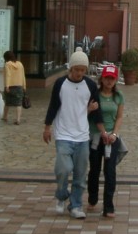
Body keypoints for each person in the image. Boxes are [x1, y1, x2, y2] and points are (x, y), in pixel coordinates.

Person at [43, 47, 108, 219]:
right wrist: (47, 127)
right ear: (70, 68)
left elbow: (97, 113)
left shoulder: (90, 85)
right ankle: (61, 195)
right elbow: (53, 106)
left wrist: (103, 132)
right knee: (63, 169)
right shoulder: (60, 84)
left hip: (82, 136)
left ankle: (76, 205)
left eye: (83, 70)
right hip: (63, 134)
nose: (80, 73)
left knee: (80, 175)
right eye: (77, 69)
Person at [87, 64, 125, 218]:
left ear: (116, 80)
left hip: (112, 138)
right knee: (94, 169)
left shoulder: (118, 96)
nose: (109, 81)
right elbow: (94, 116)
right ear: (101, 79)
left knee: (110, 171)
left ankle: (108, 206)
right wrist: (102, 132)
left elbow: (120, 117)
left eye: (112, 78)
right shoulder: (95, 94)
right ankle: (93, 197)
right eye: (106, 78)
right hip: (96, 136)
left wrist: (114, 134)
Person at [3, 50, 27, 125]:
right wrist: (24, 86)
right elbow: (23, 76)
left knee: (7, 102)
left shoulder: (7, 64)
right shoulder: (20, 64)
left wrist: (7, 86)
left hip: (10, 86)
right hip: (19, 85)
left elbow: (8, 75)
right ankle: (18, 119)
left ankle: (5, 116)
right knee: (18, 103)